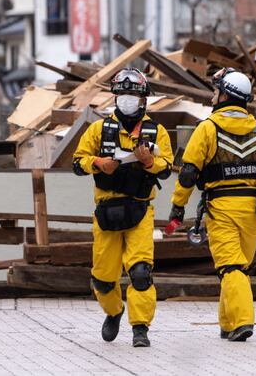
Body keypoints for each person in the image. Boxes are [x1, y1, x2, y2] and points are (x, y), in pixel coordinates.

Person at [168, 68, 256, 342]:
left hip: (221, 208)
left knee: (230, 267)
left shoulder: (207, 129)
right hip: (252, 211)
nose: (213, 96)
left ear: (225, 94)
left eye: (216, 90)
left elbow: (188, 173)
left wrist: (178, 207)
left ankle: (242, 322)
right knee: (238, 268)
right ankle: (227, 323)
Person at [72, 67, 173, 347]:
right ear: (115, 97)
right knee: (103, 279)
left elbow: (167, 169)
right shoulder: (99, 129)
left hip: (140, 210)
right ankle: (114, 311)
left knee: (140, 272)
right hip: (107, 212)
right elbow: (77, 162)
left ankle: (140, 328)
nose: (127, 98)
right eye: (122, 93)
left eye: (133, 94)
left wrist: (150, 162)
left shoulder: (156, 131)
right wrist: (98, 163)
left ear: (143, 99)